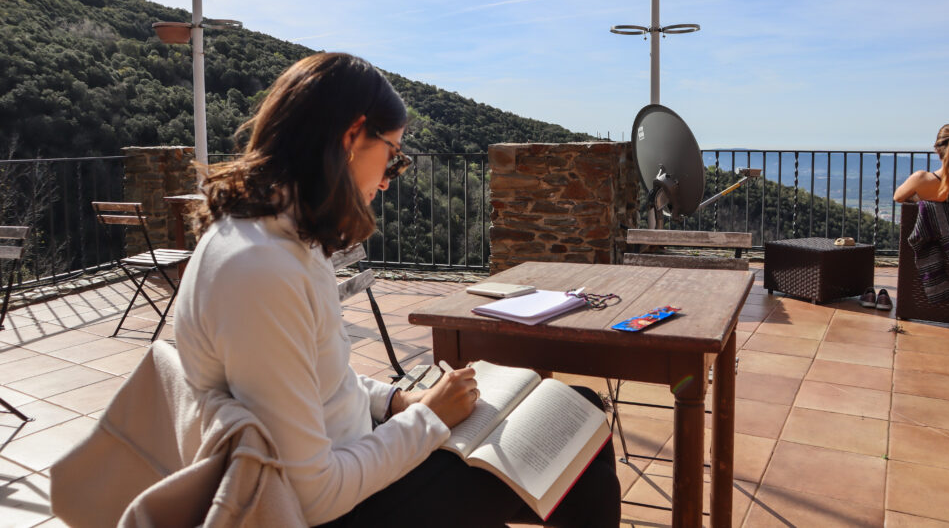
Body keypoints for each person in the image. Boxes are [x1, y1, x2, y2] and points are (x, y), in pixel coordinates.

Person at [174, 52, 620, 527]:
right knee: (580, 431)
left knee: (574, 416)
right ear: (351, 137)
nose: (388, 180)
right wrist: (429, 420)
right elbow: (313, 495)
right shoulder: (261, 269)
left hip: (355, 464)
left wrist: (396, 402)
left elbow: (321, 382)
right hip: (340, 511)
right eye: (392, 154)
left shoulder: (277, 240)